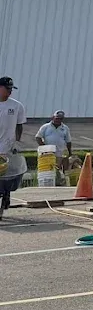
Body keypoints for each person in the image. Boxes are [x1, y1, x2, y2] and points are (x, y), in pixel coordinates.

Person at [0, 76, 27, 219]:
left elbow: (19, 125)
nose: (10, 92)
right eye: (7, 89)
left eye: (11, 89)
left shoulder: (16, 106)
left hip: (7, 147)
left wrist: (16, 141)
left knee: (5, 177)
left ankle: (6, 196)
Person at [37, 110, 73, 179]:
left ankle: (59, 183)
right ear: (53, 117)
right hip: (47, 154)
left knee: (58, 170)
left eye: (60, 119)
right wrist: (44, 147)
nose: (58, 120)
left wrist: (70, 152)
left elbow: (68, 141)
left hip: (59, 153)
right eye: (57, 118)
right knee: (48, 170)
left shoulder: (65, 128)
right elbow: (38, 137)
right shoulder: (45, 127)